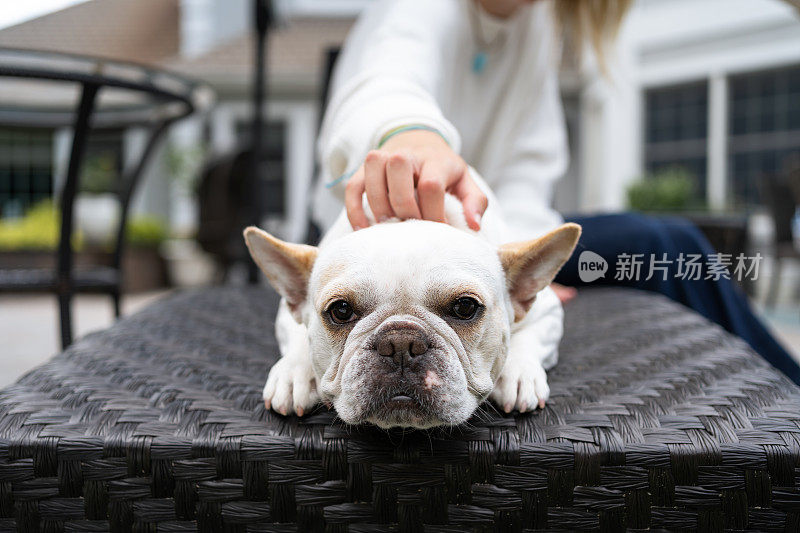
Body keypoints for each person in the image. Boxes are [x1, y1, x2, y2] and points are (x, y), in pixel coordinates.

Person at [311, 0, 800, 385]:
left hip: (496, 238)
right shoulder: (415, 8)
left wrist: (525, 268)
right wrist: (409, 132)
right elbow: (387, 75)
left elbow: (528, 170)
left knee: (673, 245)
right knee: (668, 246)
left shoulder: (536, 26)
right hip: (383, 240)